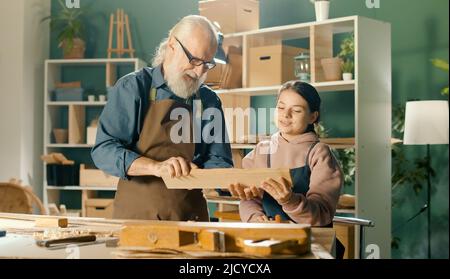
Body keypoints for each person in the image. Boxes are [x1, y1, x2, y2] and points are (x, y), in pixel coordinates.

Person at [92, 15, 233, 221]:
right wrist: (156, 167)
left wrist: (232, 182)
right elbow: (104, 150)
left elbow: (218, 160)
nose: (199, 71)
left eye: (207, 64)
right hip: (137, 219)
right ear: (172, 46)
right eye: (194, 60)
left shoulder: (208, 100)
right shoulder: (133, 88)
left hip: (191, 218)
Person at [228, 81, 343, 226]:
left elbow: (321, 214)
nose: (286, 115)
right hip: (270, 238)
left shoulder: (319, 153)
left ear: (312, 117)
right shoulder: (262, 149)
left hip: (312, 240)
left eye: (296, 110)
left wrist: (290, 201)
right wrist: (255, 217)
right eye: (281, 107)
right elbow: (249, 199)